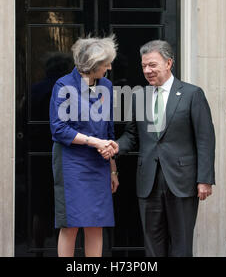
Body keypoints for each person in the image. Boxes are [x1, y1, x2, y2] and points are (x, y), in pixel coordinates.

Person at [114, 40, 216, 257]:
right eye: (144, 66)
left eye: (152, 65)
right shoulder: (139, 96)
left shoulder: (191, 94)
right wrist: (114, 146)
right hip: (148, 181)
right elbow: (131, 135)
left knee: (181, 245)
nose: (147, 71)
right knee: (152, 244)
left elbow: (205, 139)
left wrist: (204, 179)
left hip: (182, 180)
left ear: (169, 63)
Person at [49, 35, 119, 257]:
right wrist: (94, 141)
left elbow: (108, 130)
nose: (109, 67)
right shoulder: (63, 85)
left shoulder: (106, 85)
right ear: (93, 64)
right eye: (106, 63)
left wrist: (113, 169)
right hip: (72, 162)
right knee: (71, 224)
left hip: (99, 163)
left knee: (96, 223)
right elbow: (58, 128)